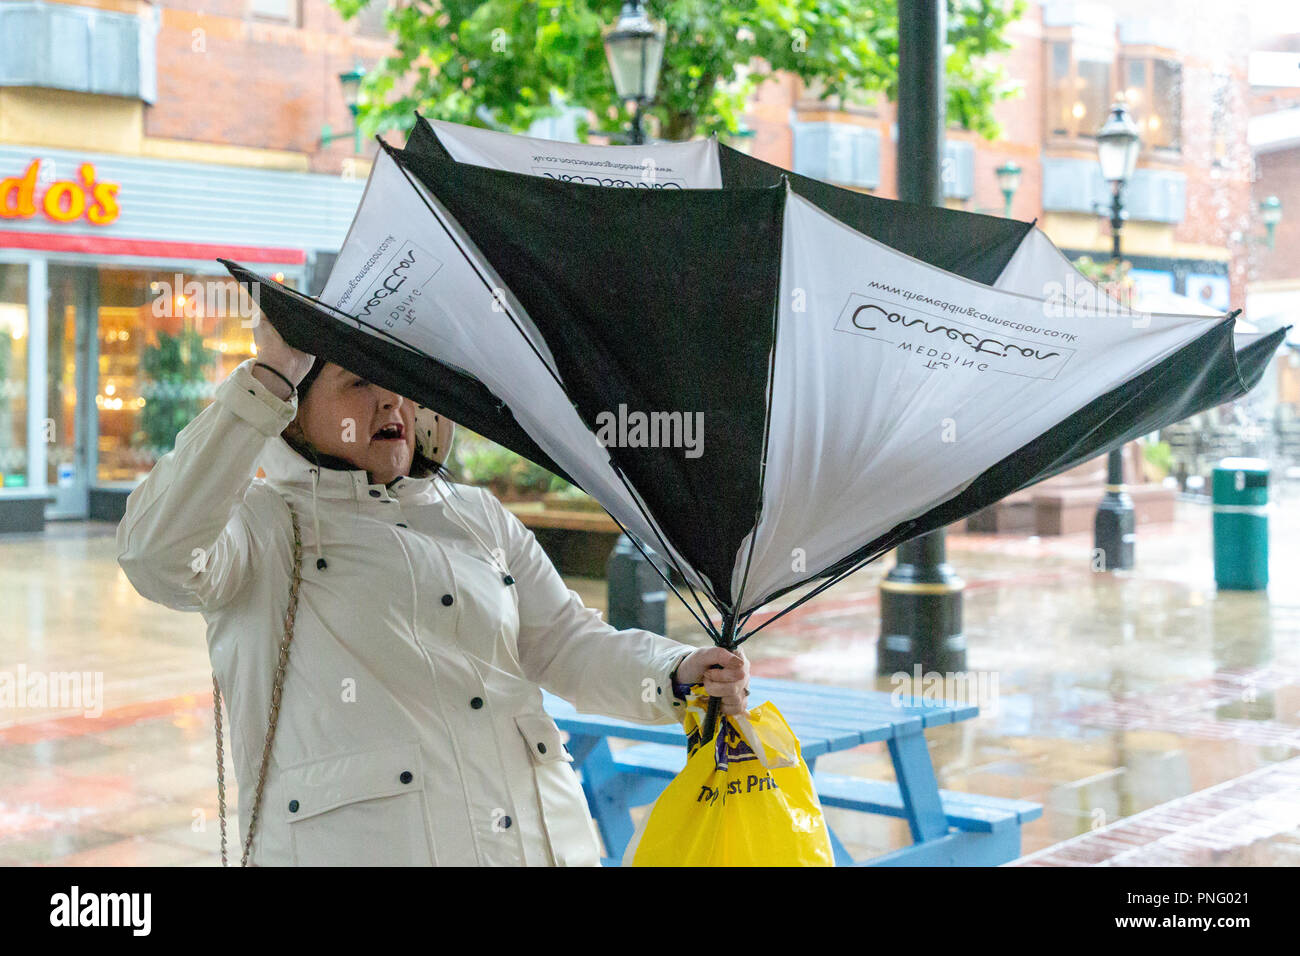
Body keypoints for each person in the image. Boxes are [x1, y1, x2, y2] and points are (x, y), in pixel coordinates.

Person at [115, 311, 748, 866]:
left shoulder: (476, 513)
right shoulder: (262, 528)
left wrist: (674, 672)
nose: (390, 401)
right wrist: (267, 379)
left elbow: (564, 644)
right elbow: (155, 556)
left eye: (399, 382)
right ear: (294, 418)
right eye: (358, 382)